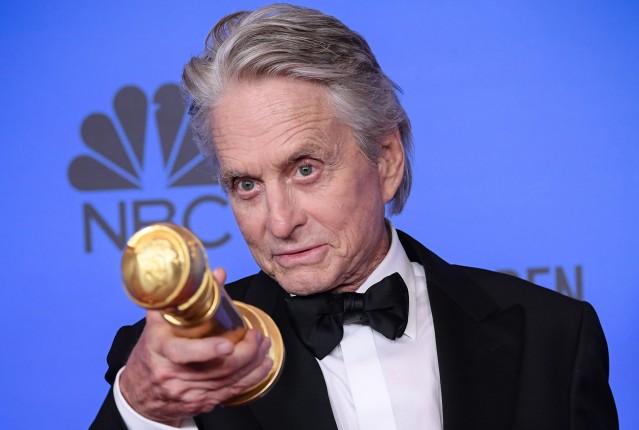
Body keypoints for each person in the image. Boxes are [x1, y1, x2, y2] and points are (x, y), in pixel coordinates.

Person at [91, 4, 618, 429]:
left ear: (386, 161)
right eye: (246, 184)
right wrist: (143, 407)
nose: (279, 223)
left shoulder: (553, 338)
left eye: (305, 169)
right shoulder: (172, 363)